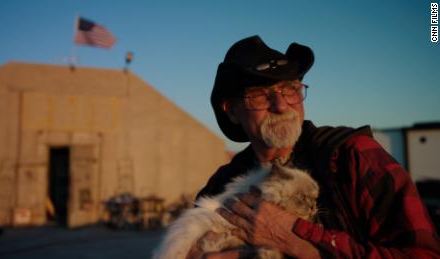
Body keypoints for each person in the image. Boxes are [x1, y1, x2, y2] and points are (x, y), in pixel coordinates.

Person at [187, 36, 440, 258]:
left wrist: (298, 241)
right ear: (232, 111)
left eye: (290, 89)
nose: (281, 105)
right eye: (262, 94)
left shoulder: (351, 157)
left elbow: (424, 254)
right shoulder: (220, 185)